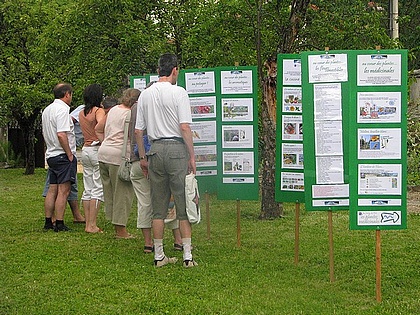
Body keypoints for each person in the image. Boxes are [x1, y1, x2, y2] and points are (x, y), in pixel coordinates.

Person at [135, 53, 197, 267]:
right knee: (183, 204)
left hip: (155, 149)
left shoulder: (145, 94)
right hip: (176, 149)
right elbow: (184, 127)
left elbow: (138, 130)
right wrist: (192, 156)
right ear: (174, 70)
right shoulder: (179, 92)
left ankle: (158, 254)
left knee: (158, 208)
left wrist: (143, 157)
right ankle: (187, 256)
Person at [129, 91, 183, 253]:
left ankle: (148, 243)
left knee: (144, 202)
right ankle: (178, 240)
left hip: (136, 161)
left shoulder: (135, 107)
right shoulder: (160, 108)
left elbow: (136, 132)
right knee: (169, 199)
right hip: (154, 158)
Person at [96, 88, 139, 239]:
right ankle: (121, 232)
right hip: (119, 157)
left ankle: (115, 225)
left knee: (110, 192)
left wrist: (106, 143)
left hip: (103, 153)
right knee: (123, 193)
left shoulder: (113, 109)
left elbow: (98, 128)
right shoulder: (131, 114)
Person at [41, 83, 77, 232]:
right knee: (64, 190)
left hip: (51, 154)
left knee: (52, 189)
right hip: (62, 154)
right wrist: (69, 153)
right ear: (67, 94)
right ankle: (60, 223)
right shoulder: (62, 110)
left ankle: (49, 221)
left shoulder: (47, 110)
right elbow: (62, 134)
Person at [79, 83, 106, 233]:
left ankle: (87, 223)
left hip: (85, 149)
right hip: (96, 148)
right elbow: (101, 126)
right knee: (98, 187)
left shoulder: (82, 112)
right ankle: (92, 224)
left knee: (88, 187)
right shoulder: (98, 111)